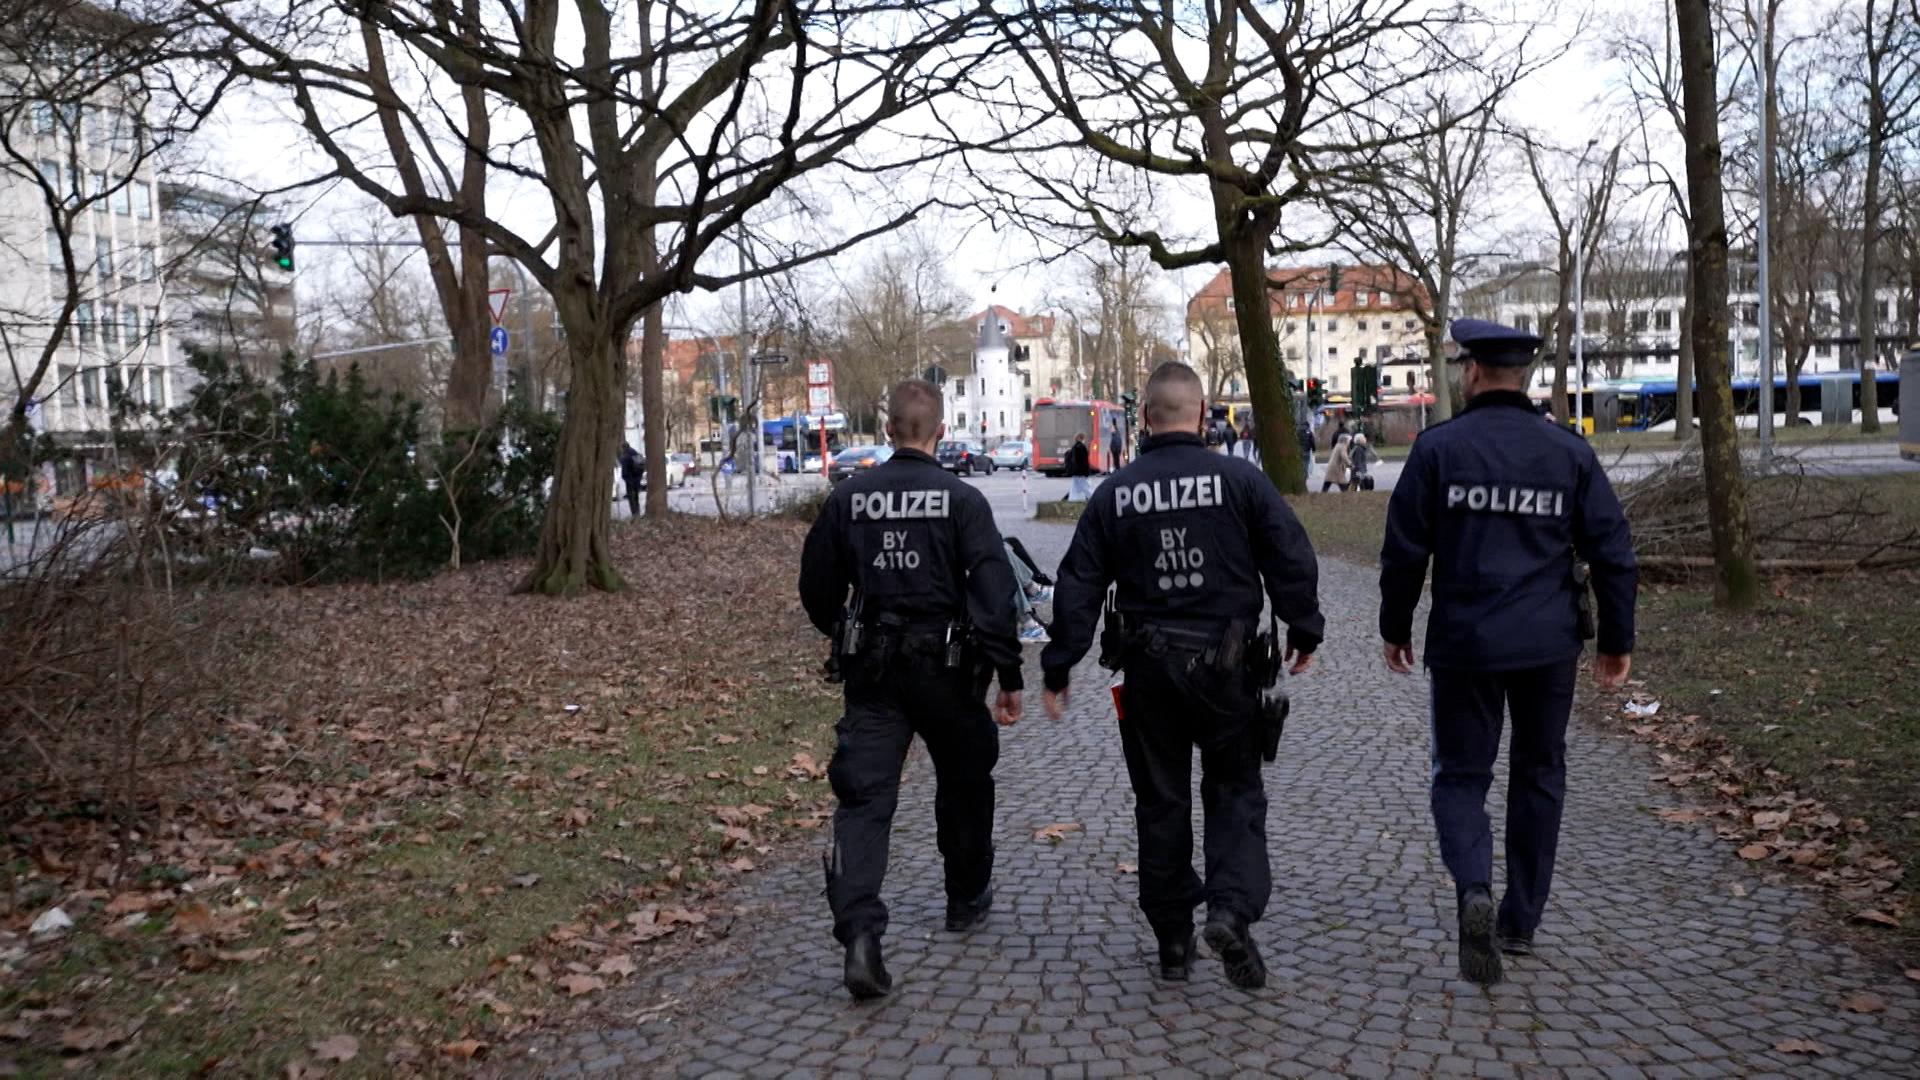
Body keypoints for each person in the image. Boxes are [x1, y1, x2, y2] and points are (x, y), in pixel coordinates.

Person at [1041, 361, 1323, 989]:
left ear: (1144, 417)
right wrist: (1304, 627)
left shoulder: (1115, 494)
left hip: (1149, 674)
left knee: (1161, 802)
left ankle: (1173, 939)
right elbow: (1289, 555)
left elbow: (1079, 582)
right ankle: (1230, 910)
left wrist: (1058, 666)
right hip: (1228, 671)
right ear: (1201, 415)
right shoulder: (1241, 481)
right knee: (1235, 791)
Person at [1378, 317, 1637, 986]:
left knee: (1461, 776)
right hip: (1548, 645)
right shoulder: (1567, 452)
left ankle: (1473, 888)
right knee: (1539, 772)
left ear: (1471, 372)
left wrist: (1395, 626)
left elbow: (1404, 550)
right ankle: (1520, 921)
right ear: (1524, 377)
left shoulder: (1438, 449)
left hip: (1466, 643)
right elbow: (1614, 551)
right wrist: (1617, 641)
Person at [798, 379, 1025, 1001]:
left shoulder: (849, 498)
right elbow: (994, 595)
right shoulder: (963, 500)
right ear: (941, 432)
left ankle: (860, 935)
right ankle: (965, 897)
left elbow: (816, 586)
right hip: (949, 671)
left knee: (864, 798)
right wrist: (1008, 676)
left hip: (874, 670)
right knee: (965, 781)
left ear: (888, 429)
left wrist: (842, 630)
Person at [618, 441, 644, 518]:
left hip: (630, 481)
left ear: (623, 448)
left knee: (631, 499)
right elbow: (642, 467)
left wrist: (626, 479)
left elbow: (624, 472)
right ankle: (638, 513)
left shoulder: (625, 456)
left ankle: (634, 515)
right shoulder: (636, 453)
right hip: (637, 480)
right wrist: (638, 478)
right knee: (636, 498)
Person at [1065, 432, 1093, 502]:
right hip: (1081, 472)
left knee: (1074, 488)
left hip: (1075, 472)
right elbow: (1083, 462)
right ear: (1082, 439)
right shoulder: (1082, 447)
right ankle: (1094, 499)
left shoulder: (1074, 447)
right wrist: (1086, 472)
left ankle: (1072, 500)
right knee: (1086, 487)